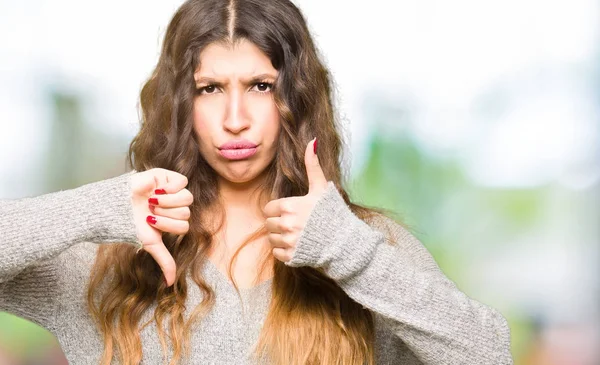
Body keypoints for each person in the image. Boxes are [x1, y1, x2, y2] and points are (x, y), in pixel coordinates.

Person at [0, 0, 514, 364]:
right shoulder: (105, 263)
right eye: (209, 88)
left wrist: (350, 252)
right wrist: (97, 209)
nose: (236, 117)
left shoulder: (361, 248)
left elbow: (489, 354)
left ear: (298, 99)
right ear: (180, 106)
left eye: (261, 86)